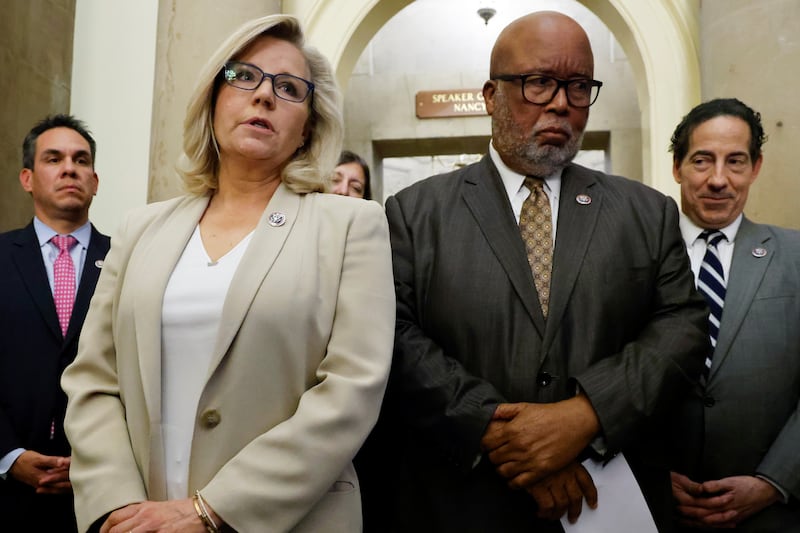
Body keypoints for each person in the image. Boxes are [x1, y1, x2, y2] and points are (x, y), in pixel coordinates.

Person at [370, 10, 710, 532]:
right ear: (490, 95)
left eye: (578, 87)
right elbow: (393, 335)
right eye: (538, 83)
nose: (560, 103)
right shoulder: (413, 214)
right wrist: (498, 431)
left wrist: (587, 415)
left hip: (605, 500)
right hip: (462, 503)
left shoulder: (646, 212)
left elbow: (682, 328)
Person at [61, 14, 394, 533]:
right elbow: (94, 380)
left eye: (288, 88)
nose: (264, 96)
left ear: (309, 125)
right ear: (212, 101)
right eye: (244, 77)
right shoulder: (140, 228)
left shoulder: (352, 225)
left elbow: (351, 391)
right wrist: (118, 504)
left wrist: (212, 510)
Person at [669, 98, 800, 531]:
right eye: (702, 161)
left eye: (736, 162)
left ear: (756, 167)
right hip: (658, 510)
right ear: (677, 167)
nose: (719, 180)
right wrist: (651, 472)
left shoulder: (795, 257)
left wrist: (774, 481)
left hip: (772, 516)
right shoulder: (635, 258)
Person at [0, 114, 110, 532]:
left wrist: (91, 460)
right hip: (7, 489)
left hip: (97, 493)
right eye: (54, 158)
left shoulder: (128, 262)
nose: (69, 168)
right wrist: (9, 455)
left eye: (81, 160)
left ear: (95, 181)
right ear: (27, 178)